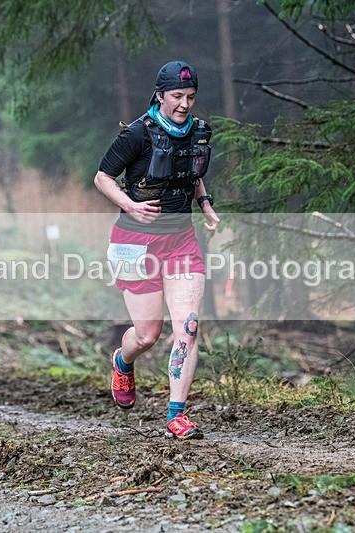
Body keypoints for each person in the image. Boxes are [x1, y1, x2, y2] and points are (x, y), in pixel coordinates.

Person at [94, 60, 219, 440]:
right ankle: (123, 359)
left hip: (181, 240)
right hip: (135, 243)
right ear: (160, 94)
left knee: (189, 328)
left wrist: (205, 204)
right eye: (177, 96)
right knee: (147, 335)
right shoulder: (136, 134)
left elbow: (192, 174)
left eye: (191, 97)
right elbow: (102, 178)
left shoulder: (198, 131)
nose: (184, 104)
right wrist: (130, 205)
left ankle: (176, 415)